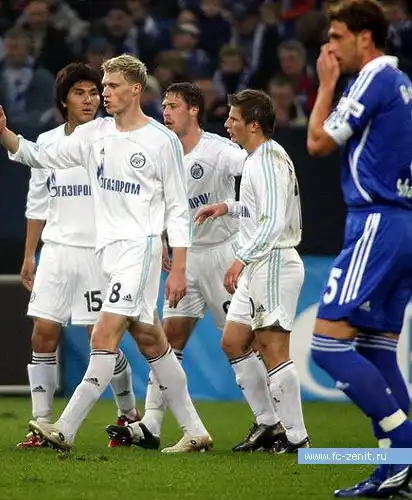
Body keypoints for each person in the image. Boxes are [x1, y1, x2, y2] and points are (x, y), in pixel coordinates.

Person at [0, 53, 211, 452]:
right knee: (151, 341)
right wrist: (3, 134)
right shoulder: (94, 134)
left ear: (136, 89)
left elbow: (177, 208)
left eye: (113, 86)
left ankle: (64, 429)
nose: (105, 93)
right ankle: (196, 431)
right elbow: (39, 156)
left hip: (140, 249)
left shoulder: (161, 140)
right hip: (108, 253)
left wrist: (180, 267)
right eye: (104, 86)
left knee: (102, 335)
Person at [104, 82, 247, 453]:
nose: (165, 112)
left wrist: (238, 217)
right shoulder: (161, 151)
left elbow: (256, 172)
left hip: (222, 254)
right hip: (185, 258)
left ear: (194, 109)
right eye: (164, 106)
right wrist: (166, 240)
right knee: (169, 338)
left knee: (245, 342)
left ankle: (274, 422)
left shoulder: (219, 150)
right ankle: (152, 423)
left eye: (173, 106)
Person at [306, 0, 412, 496]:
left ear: (364, 38)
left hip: (376, 222)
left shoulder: (374, 77)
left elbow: (318, 143)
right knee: (376, 348)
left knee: (327, 346)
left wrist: (326, 85)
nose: (329, 47)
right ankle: (394, 470)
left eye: (336, 37)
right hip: (402, 223)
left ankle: (405, 444)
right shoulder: (403, 83)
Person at [17, 62, 140, 449]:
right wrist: (29, 256)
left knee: (100, 339)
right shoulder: (47, 142)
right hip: (56, 251)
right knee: (42, 334)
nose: (89, 100)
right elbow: (38, 203)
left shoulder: (111, 137)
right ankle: (40, 424)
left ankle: (127, 413)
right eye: (79, 93)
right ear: (63, 100)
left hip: (98, 253)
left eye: (93, 93)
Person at [196, 89, 309, 454]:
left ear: (254, 124)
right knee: (233, 341)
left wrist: (241, 257)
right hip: (259, 262)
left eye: (234, 118)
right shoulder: (257, 158)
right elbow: (259, 208)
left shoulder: (268, 160)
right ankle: (268, 423)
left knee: (273, 349)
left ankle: (298, 439)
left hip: (272, 261)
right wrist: (228, 207)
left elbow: (272, 221)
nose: (227, 124)